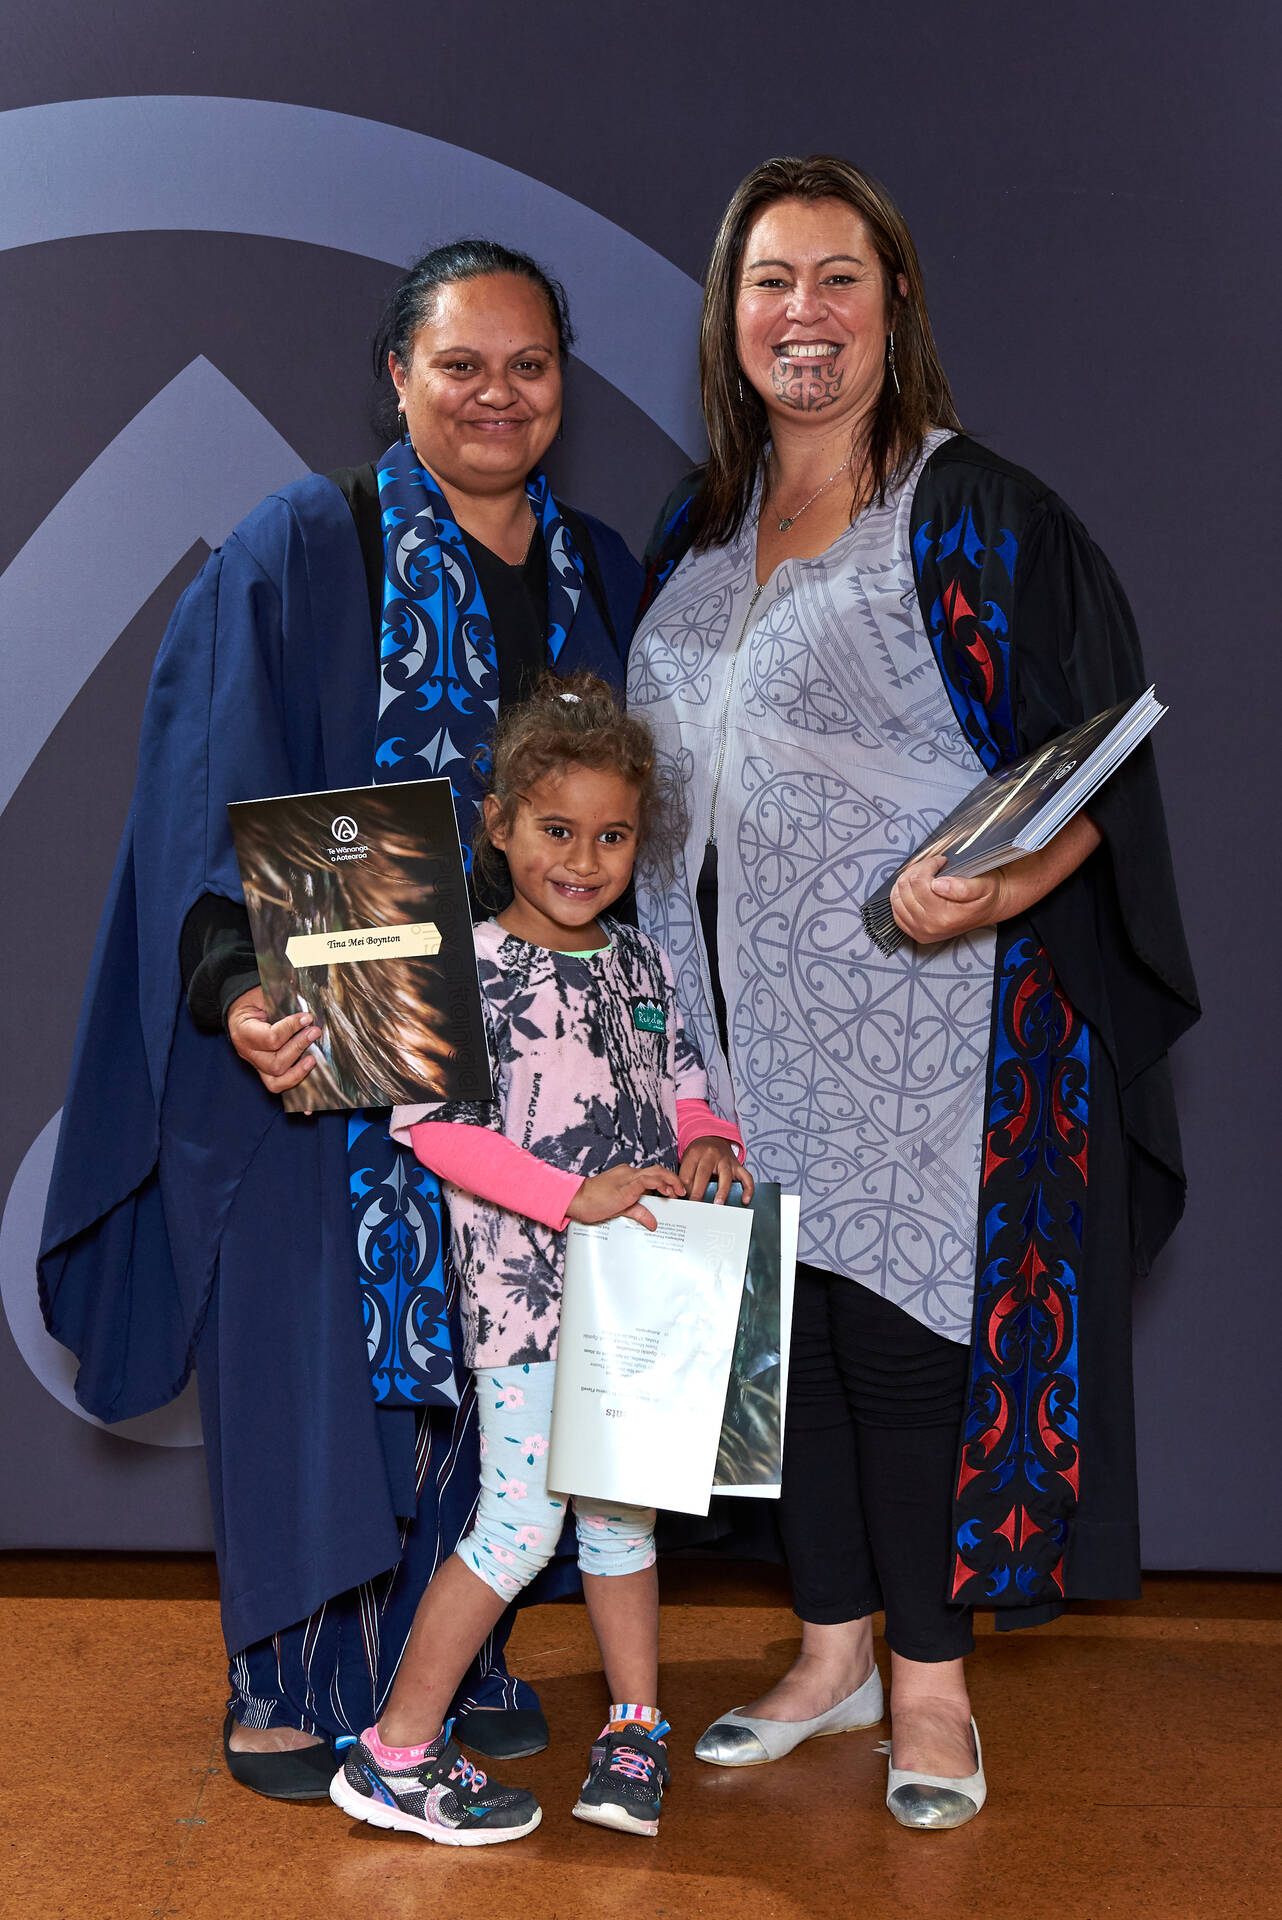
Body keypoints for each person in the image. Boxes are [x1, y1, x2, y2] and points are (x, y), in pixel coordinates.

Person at [630, 155, 1199, 1829]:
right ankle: (829, 1657)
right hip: (731, 1028)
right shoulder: (694, 527)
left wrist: (996, 891)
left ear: (895, 307)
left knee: (898, 1347)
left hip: (923, 1032)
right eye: (769, 281)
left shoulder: (975, 519)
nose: (800, 314)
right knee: (786, 1345)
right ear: (728, 316)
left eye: (837, 278)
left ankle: (931, 1686)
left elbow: (1095, 768)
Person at [38, 240, 643, 1799]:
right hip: (344, 1041)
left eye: (528, 365)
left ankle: (458, 1664)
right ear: (397, 377)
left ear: (561, 384)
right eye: (460, 365)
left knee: (507, 1364)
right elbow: (204, 785)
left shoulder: (599, 571)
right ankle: (297, 1689)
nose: (496, 395)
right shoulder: (308, 545)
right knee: (330, 1363)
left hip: (540, 1062)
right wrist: (238, 991)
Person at [330, 674, 750, 1844]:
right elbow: (436, 1131)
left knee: (622, 1524)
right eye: (556, 829)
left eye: (611, 835)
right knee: (518, 1529)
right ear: (499, 825)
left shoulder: (644, 965)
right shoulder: (459, 967)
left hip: (644, 1296)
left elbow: (681, 1085)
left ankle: (635, 1730)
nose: (583, 858)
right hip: (528, 1306)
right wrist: (575, 1198)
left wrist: (707, 1138)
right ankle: (395, 1755)